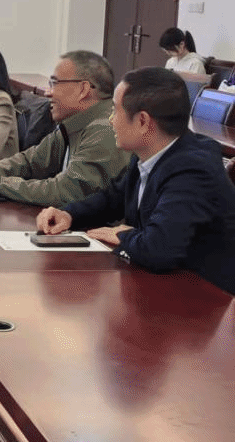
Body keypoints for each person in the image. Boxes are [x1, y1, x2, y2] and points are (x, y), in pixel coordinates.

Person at [37, 67, 235, 295]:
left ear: (142, 121)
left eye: (115, 110)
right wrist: (69, 215)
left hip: (205, 299)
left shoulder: (193, 169)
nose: (111, 120)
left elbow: (159, 249)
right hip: (161, 287)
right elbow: (113, 198)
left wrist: (122, 235)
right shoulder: (150, 153)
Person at [0, 51, 131, 206]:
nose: (48, 92)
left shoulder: (104, 130)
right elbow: (31, 161)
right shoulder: (73, 124)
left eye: (54, 83)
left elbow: (63, 191)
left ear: (83, 89)